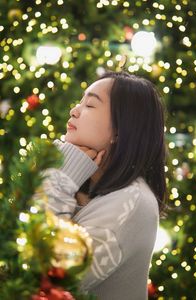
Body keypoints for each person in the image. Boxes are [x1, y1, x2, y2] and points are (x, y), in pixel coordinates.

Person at [43, 71, 167, 300]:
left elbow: (48, 278)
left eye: (89, 105)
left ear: (120, 130)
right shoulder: (85, 185)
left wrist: (57, 178)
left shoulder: (131, 203)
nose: (74, 110)